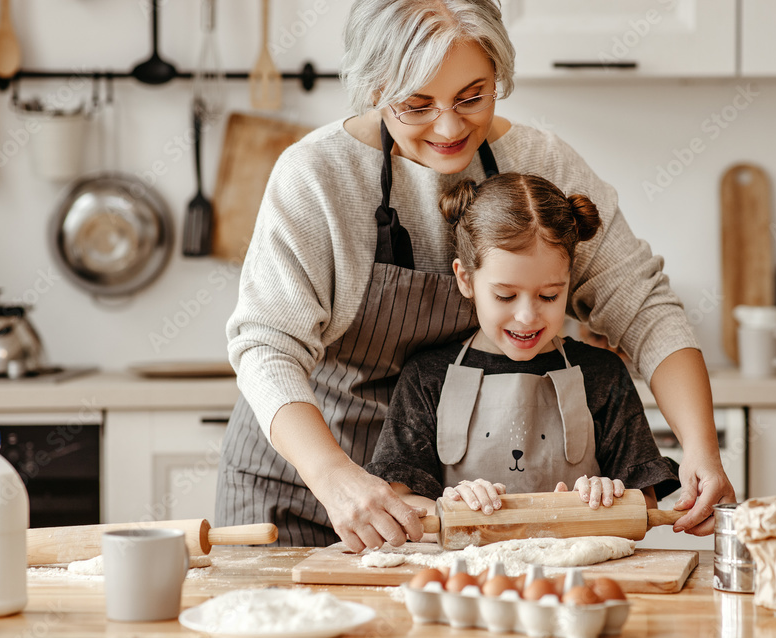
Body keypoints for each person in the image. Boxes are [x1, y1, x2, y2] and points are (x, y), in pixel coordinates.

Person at [217, 0, 734, 551]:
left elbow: (643, 305)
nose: (448, 126)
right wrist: (336, 477)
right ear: (372, 88)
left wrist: (700, 446)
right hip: (302, 484)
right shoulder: (317, 175)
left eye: (472, 97)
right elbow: (267, 346)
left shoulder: (540, 160)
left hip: (447, 504)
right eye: (416, 104)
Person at [365, 173, 681, 519]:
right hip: (468, 572)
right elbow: (399, 501)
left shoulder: (602, 374)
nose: (528, 316)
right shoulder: (427, 376)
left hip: (578, 574)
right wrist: (449, 507)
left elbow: (645, 503)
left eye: (549, 295)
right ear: (466, 279)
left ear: (569, 282)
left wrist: (611, 498)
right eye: (505, 295)